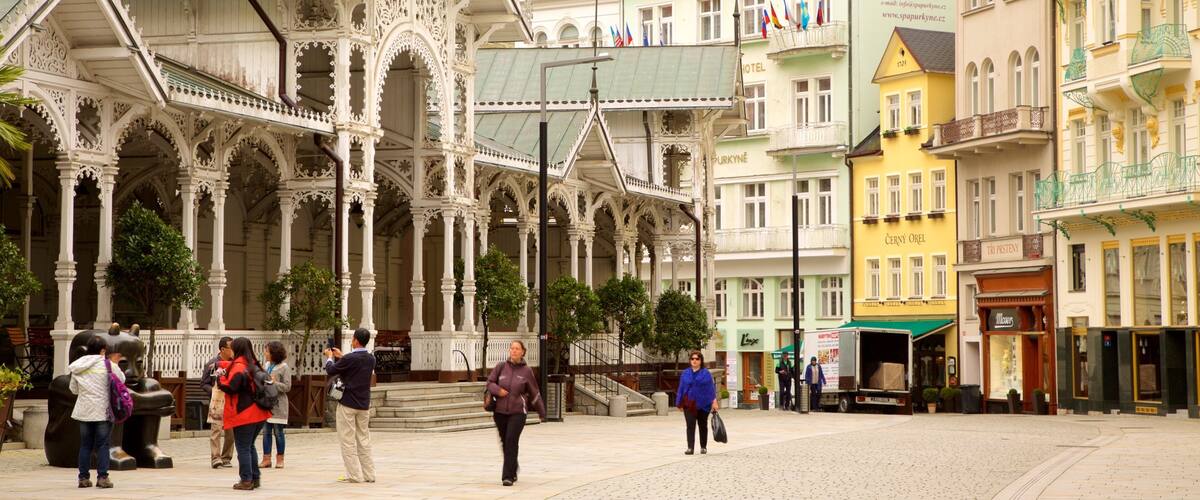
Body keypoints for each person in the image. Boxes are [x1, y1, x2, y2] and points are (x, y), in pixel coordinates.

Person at [486, 340, 545, 487]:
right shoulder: (500, 367)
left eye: (517, 349)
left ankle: (507, 477)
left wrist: (542, 412)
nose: (514, 351)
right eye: (512, 348)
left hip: (518, 412)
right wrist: (498, 390)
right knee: (505, 442)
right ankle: (513, 467)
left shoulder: (527, 372)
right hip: (499, 411)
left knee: (511, 440)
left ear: (523, 352)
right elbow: (489, 383)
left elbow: (534, 393)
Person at [68, 335, 123, 489]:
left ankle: (83, 478)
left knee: (85, 445)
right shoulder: (108, 365)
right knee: (103, 445)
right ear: (103, 350)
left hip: (84, 410)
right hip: (103, 410)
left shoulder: (78, 366)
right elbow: (122, 380)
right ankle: (102, 477)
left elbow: (73, 389)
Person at [218, 337, 272, 490]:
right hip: (260, 412)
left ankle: (246, 480)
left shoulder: (238, 366)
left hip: (245, 413)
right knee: (249, 446)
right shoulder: (254, 364)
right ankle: (255, 478)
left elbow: (231, 387)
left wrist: (220, 378)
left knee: (242, 447)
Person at [324, 328, 377, 484]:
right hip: (363, 403)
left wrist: (329, 358)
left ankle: (354, 475)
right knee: (364, 439)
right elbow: (354, 364)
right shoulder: (371, 358)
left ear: (355, 340)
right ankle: (369, 474)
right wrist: (342, 356)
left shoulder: (350, 358)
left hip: (348, 403)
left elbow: (331, 370)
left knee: (347, 440)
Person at [202, 336, 235, 469]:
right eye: (231, 348)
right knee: (216, 430)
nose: (233, 350)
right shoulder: (212, 364)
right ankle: (215, 458)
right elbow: (203, 383)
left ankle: (226, 457)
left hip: (231, 402)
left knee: (231, 432)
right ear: (223, 349)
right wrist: (214, 391)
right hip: (217, 402)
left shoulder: (235, 363)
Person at [675, 350, 717, 456]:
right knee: (690, 425)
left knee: (702, 425)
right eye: (692, 359)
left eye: (697, 359)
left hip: (703, 403)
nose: (694, 361)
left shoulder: (706, 373)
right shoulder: (685, 373)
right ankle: (690, 448)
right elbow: (681, 388)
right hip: (689, 403)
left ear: (701, 360)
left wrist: (714, 401)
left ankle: (703, 447)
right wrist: (679, 402)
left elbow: (711, 389)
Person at [260, 341, 291, 469]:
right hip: (267, 404)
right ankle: (266, 459)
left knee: (278, 432)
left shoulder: (284, 367)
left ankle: (280, 458)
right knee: (266, 432)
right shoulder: (266, 365)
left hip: (279, 405)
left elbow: (287, 387)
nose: (265, 353)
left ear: (274, 353)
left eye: (267, 351)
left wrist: (274, 383)